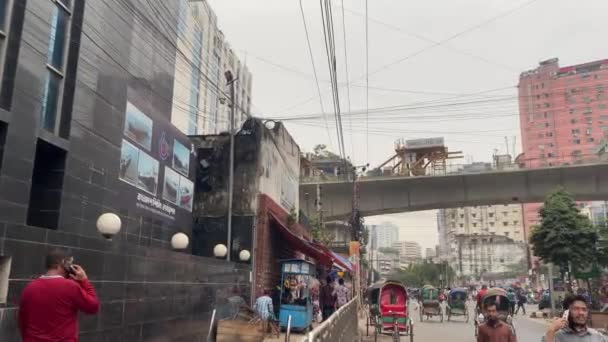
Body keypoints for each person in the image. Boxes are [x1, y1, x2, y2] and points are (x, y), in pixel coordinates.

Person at [19, 249, 99, 342]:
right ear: (63, 263)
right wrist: (84, 281)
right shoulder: (70, 286)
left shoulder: (29, 287)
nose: (71, 267)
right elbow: (93, 307)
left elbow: (22, 320)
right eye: (70, 263)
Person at [543, 295, 608, 342]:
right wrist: (551, 330)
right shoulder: (555, 335)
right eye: (576, 309)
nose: (581, 313)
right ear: (566, 312)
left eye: (584, 309)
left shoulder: (597, 336)